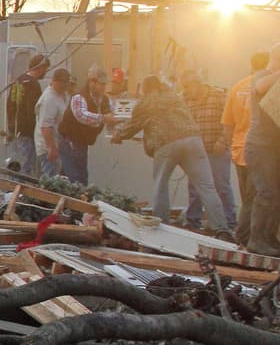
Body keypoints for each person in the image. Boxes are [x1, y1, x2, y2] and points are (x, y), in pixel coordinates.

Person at [111, 75, 229, 234]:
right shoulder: (174, 96)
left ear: (145, 90)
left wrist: (117, 135)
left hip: (166, 144)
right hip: (193, 140)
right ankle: (221, 228)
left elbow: (132, 126)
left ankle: (162, 228)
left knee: (161, 185)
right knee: (207, 187)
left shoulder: (146, 103)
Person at [242, 43, 280, 256]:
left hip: (274, 148)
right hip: (259, 146)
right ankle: (256, 240)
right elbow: (260, 87)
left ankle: (271, 237)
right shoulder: (263, 75)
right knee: (267, 193)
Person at [180, 69, 236, 232]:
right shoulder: (185, 99)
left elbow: (230, 121)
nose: (185, 90)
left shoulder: (218, 96)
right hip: (196, 152)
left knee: (221, 186)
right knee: (194, 187)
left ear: (197, 84)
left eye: (187, 86)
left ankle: (229, 222)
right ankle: (193, 221)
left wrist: (223, 141)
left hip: (216, 149)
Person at [222, 52, 268, 247]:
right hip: (258, 149)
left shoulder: (237, 87)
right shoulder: (267, 87)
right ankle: (244, 238)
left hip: (239, 149)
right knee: (256, 197)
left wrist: (231, 145)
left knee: (247, 196)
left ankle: (244, 236)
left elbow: (227, 123)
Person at [58, 64, 115, 185]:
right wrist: (103, 118)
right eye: (102, 84)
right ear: (92, 82)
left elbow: (111, 111)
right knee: (77, 178)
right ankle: (76, 202)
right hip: (70, 141)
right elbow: (81, 116)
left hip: (82, 142)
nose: (104, 87)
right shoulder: (79, 97)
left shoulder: (104, 99)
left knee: (71, 177)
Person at [5, 54, 50, 175]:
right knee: (26, 165)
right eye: (46, 69)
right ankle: (20, 192)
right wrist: (37, 130)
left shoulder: (18, 81)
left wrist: (11, 126)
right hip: (27, 132)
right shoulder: (32, 84)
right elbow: (33, 110)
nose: (45, 72)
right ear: (40, 67)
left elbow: (10, 105)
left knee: (17, 164)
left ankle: (13, 190)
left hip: (16, 131)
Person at [34, 68, 72, 177]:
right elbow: (46, 126)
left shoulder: (61, 95)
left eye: (66, 82)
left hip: (57, 144)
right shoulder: (49, 99)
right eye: (62, 82)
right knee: (49, 181)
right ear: (54, 81)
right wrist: (51, 148)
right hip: (48, 148)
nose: (64, 85)